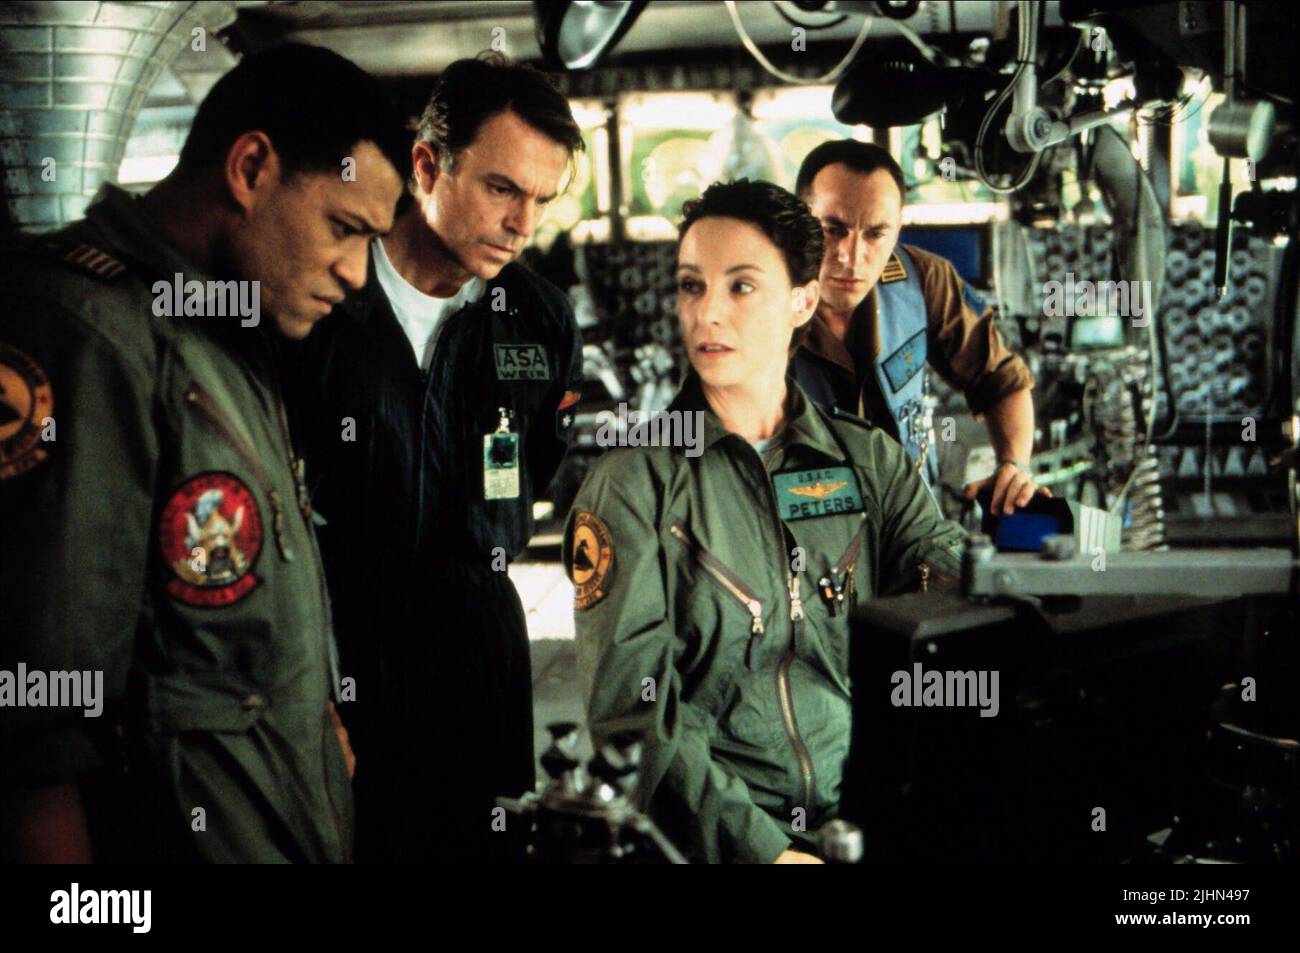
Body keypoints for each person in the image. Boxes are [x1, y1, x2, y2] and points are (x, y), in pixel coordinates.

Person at [0, 44, 409, 863]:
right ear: (251, 167)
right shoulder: (88, 332)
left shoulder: (227, 330)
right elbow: (34, 730)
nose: (358, 273)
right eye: (343, 227)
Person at [565, 180, 967, 864]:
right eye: (692, 286)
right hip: (716, 842)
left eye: (741, 287)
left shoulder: (866, 460)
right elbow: (634, 712)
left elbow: (954, 586)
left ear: (802, 301)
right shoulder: (633, 484)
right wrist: (764, 852)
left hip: (867, 820)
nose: (707, 313)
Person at [281, 53, 585, 863]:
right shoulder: (320, 301)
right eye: (501, 189)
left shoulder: (539, 317)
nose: (524, 224)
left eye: (542, 201)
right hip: (338, 649)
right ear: (426, 163)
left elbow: (542, 459)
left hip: (479, 649)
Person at [791, 140, 1046, 514]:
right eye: (833, 229)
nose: (852, 256)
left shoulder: (925, 279)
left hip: (912, 525)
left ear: (897, 230)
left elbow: (999, 379)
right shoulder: (761, 297)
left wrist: (1013, 467)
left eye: (876, 234)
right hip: (805, 535)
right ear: (802, 220)